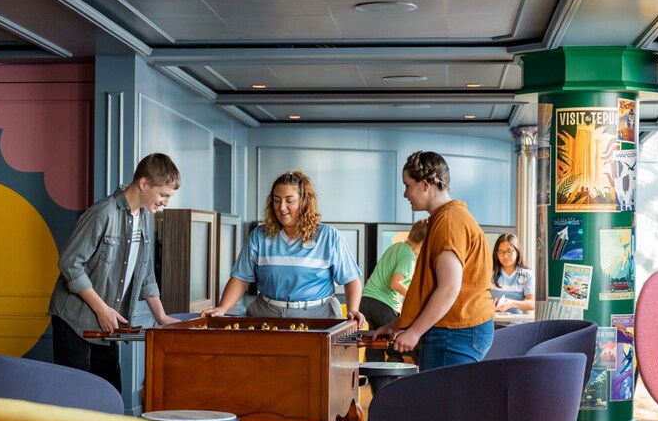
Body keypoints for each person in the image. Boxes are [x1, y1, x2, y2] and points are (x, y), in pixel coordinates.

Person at [48, 153, 181, 392]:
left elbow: (146, 273)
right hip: (75, 321)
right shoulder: (103, 213)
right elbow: (70, 263)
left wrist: (161, 317)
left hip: (106, 323)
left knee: (110, 395)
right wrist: (102, 309)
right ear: (144, 183)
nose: (165, 202)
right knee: (75, 400)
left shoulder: (142, 217)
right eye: (163, 195)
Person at [373, 151, 494, 371]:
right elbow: (429, 287)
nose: (405, 194)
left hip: (455, 330)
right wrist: (397, 325)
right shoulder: (446, 217)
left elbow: (449, 288)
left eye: (407, 185)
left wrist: (414, 332)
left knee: (441, 403)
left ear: (426, 185)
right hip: (457, 329)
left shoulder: (448, 222)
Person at [203, 170, 365, 327]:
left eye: (289, 200)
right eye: (276, 200)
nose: (281, 207)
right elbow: (241, 279)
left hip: (318, 315)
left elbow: (351, 279)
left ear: (304, 202)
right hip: (266, 313)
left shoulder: (328, 236)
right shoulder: (259, 235)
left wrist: (353, 309)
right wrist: (222, 308)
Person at [360, 218, 428, 361]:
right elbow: (396, 284)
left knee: (374, 348)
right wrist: (415, 299)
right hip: (384, 304)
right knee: (396, 348)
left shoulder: (395, 247)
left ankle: (379, 384)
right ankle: (395, 383)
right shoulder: (408, 255)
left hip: (366, 301)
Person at [490, 232, 535, 314]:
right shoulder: (490, 273)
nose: (505, 256)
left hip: (516, 323)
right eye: (501, 252)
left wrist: (513, 303)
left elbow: (532, 303)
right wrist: (488, 306)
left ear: (517, 252)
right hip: (493, 322)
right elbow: (481, 299)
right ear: (496, 254)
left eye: (509, 251)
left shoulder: (527, 275)